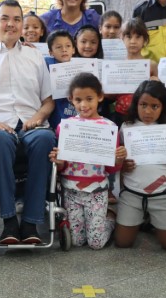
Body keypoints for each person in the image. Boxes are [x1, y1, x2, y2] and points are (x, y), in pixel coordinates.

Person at [0, 0, 56, 244]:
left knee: (45, 139)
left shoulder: (35, 57)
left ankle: (31, 223)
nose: (11, 24)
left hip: (31, 126)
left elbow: (48, 102)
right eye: (5, 18)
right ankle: (9, 223)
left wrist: (37, 118)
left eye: (17, 19)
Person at [49, 73, 125, 249]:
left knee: (96, 243)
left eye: (89, 99)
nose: (83, 105)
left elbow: (112, 169)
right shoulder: (65, 127)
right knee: (76, 241)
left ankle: (110, 218)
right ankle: (92, 223)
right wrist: (57, 161)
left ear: (100, 96)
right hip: (70, 190)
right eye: (78, 100)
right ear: (71, 100)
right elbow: (62, 167)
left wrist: (118, 159)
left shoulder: (109, 128)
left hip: (97, 190)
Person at [115, 81, 166, 251]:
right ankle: (127, 217)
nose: (148, 111)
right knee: (122, 242)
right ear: (136, 104)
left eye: (155, 106)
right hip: (132, 194)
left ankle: (152, 220)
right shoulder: (127, 127)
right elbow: (117, 158)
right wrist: (121, 164)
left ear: (163, 107)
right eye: (143, 105)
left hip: (162, 195)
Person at [113, 18, 158, 124]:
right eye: (128, 36)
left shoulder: (151, 65)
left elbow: (157, 94)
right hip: (120, 114)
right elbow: (110, 95)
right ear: (121, 38)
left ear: (145, 40)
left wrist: (156, 82)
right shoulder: (115, 65)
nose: (133, 41)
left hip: (143, 116)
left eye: (138, 37)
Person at [45, 30, 77, 130]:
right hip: (55, 118)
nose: (64, 49)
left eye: (68, 46)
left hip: (76, 116)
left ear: (73, 49)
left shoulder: (82, 66)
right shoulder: (47, 64)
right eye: (58, 47)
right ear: (50, 52)